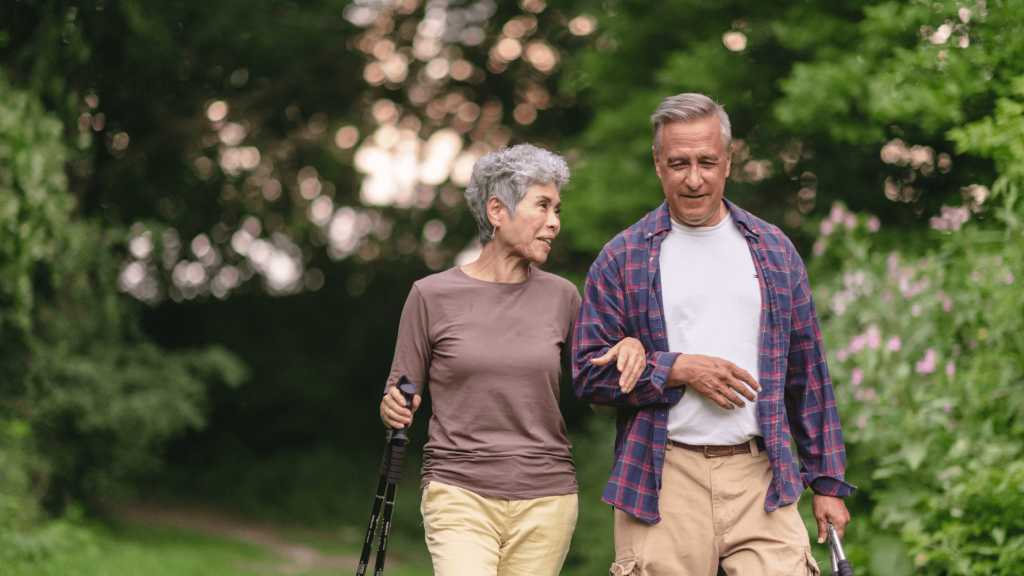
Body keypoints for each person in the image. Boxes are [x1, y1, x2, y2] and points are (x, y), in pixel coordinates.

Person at [572, 93, 854, 576]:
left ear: (728, 162)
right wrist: (676, 368)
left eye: (707, 161)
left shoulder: (774, 250)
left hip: (760, 473)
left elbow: (807, 374)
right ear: (658, 165)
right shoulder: (622, 258)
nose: (694, 177)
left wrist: (827, 481)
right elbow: (587, 375)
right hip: (663, 476)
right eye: (678, 163)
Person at [379, 143, 647, 576]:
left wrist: (630, 346)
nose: (555, 223)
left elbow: (598, 386)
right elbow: (399, 391)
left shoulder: (563, 296)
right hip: (458, 491)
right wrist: (392, 405)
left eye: (558, 209)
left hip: (547, 498)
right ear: (497, 211)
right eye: (542, 206)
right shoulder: (430, 296)